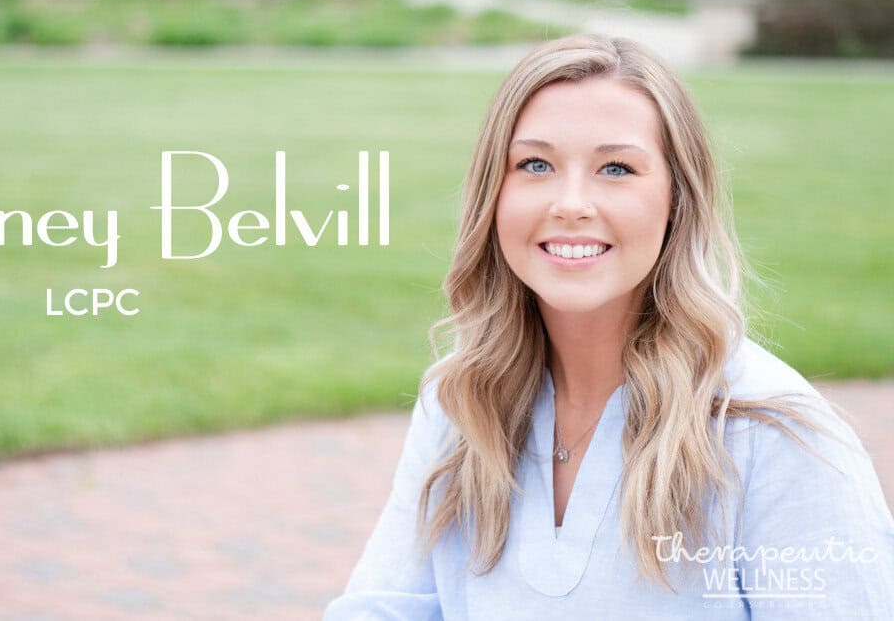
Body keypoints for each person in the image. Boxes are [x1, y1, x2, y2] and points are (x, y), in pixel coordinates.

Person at [324, 33, 894, 620]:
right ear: (493, 194)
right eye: (535, 165)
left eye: (616, 168)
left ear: (677, 199)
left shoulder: (776, 438)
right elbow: (382, 608)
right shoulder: (460, 405)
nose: (571, 203)